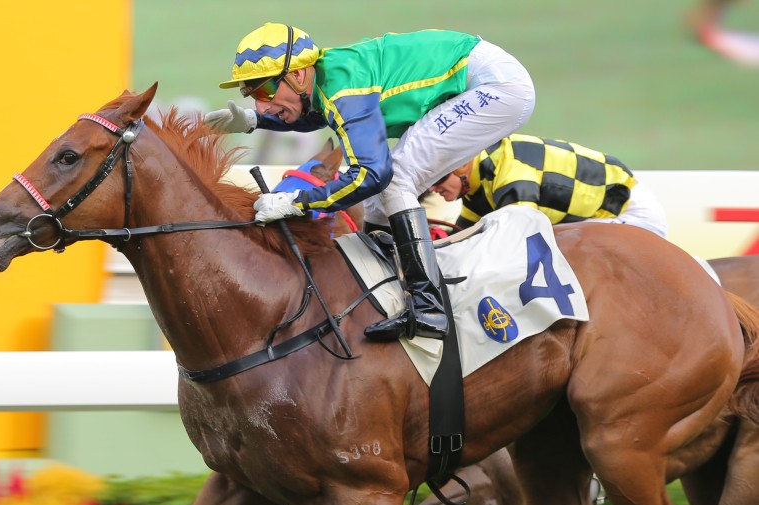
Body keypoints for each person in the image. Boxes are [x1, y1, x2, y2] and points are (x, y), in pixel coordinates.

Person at [205, 22, 535, 342]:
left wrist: (296, 201)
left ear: (297, 74)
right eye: (250, 94)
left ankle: (427, 307)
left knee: (394, 178)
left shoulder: (344, 87)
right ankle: (385, 293)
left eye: (264, 90)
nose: (260, 103)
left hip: (495, 85)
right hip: (485, 77)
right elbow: (316, 114)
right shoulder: (324, 81)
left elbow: (372, 174)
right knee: (381, 198)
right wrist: (253, 120)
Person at [428, 134, 668, 238]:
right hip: (604, 214)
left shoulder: (509, 171)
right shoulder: (476, 184)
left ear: (460, 167)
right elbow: (462, 234)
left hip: (627, 211)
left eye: (437, 180)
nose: (432, 190)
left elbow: (516, 236)